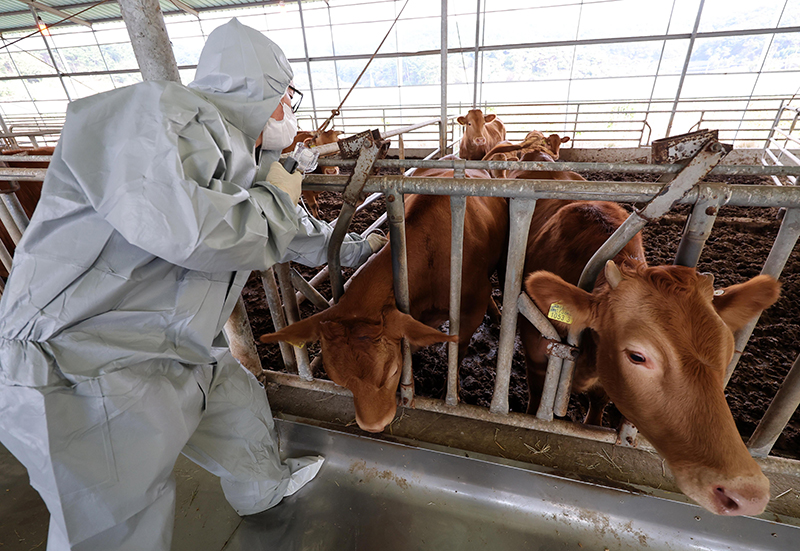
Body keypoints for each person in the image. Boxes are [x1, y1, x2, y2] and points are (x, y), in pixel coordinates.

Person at [0, 18, 385, 551]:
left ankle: (262, 488)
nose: (290, 111)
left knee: (233, 396)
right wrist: (279, 188)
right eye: (288, 96)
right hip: (75, 367)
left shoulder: (234, 155)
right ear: (262, 89)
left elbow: (289, 233)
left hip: (158, 349)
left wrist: (360, 248)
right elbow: (200, 231)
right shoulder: (152, 115)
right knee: (114, 524)